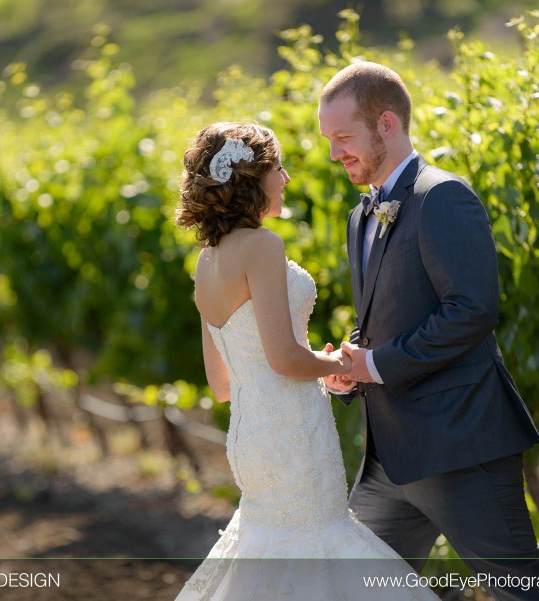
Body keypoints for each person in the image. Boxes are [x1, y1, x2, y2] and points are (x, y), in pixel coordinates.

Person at [317, 62, 539, 601]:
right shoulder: (360, 214)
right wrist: (352, 367)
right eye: (330, 139)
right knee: (351, 589)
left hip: (459, 449)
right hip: (390, 457)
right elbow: (392, 314)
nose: (335, 152)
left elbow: (470, 311)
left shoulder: (443, 197)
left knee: (524, 593)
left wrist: (376, 364)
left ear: (387, 123)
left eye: (344, 137)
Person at [173, 122, 438, 601]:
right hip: (292, 434)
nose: (287, 179)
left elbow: (221, 384)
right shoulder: (262, 246)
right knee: (317, 541)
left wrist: (317, 367)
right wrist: (337, 362)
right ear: (251, 180)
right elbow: (286, 360)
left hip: (249, 436)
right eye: (277, 168)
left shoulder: (207, 261)